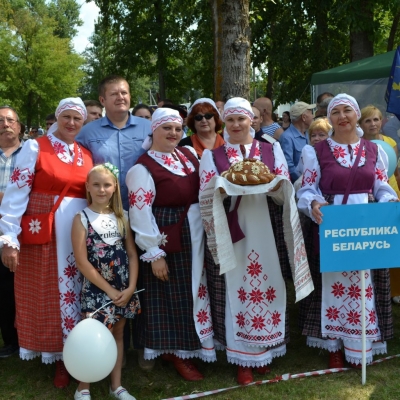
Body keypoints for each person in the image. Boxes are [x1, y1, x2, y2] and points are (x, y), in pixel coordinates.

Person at [199, 97, 313, 385]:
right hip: (233, 229)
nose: (236, 125)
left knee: (270, 282)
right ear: (224, 122)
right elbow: (205, 196)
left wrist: (273, 186)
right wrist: (222, 190)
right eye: (231, 120)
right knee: (235, 287)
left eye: (242, 119)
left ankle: (266, 349)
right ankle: (242, 358)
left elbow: (283, 186)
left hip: (268, 226)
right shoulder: (211, 156)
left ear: (252, 120)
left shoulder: (270, 149)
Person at [297, 93, 396, 369]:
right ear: (330, 119)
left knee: (363, 284)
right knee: (333, 283)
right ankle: (334, 345)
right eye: (336, 112)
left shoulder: (374, 151)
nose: (342, 117)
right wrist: (314, 202)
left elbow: (381, 187)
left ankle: (360, 345)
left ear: (355, 116)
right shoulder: (315, 152)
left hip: (364, 228)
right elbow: (307, 189)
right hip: (332, 227)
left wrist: (389, 202)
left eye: (347, 111)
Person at [0, 98, 93, 387]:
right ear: (56, 118)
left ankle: (78, 351)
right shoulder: (35, 146)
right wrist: (8, 238)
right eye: (66, 117)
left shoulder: (86, 153)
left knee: (78, 291)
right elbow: (16, 193)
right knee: (52, 294)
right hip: (48, 234)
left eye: (77, 118)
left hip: (79, 232)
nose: (71, 123)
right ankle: (60, 356)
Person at [126, 108, 216, 381]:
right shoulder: (141, 168)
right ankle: (176, 352)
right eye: (167, 128)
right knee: (173, 295)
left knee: (195, 289)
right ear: (153, 130)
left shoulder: (187, 155)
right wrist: (154, 254)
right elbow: (140, 213)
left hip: (196, 232)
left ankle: (193, 345)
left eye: (177, 128)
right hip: (168, 236)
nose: (173, 133)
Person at [71, 163, 140, 400]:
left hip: (123, 288)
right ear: (88, 187)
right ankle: (83, 387)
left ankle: (116, 386)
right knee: (93, 335)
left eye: (107, 185)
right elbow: (83, 262)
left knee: (118, 333)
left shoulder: (123, 217)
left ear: (114, 188)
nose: (102, 190)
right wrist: (109, 290)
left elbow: (131, 253)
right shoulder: (81, 218)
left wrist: (130, 287)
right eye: (97, 185)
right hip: (98, 288)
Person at [77, 75, 151, 211]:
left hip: (143, 209)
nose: (120, 97)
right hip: (103, 209)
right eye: (114, 94)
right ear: (102, 100)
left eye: (124, 93)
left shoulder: (150, 128)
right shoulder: (86, 133)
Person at [359, 105, 400, 304]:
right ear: (361, 124)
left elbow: (397, 171)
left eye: (376, 119)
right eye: (368, 120)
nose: (373, 124)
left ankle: (396, 290)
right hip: (368, 196)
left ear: (381, 120)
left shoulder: (391, 142)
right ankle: (373, 287)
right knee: (374, 243)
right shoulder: (357, 145)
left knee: (392, 242)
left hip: (391, 193)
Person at [0, 106, 23, 358]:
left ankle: (26, 336)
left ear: (19, 125)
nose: (5, 124)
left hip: (21, 229)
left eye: (10, 120)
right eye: (0, 120)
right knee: (3, 288)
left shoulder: (30, 153)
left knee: (19, 285)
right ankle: (10, 340)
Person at [279, 101, 315, 182]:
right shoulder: (287, 137)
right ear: (304, 117)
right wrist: (306, 181)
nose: (313, 116)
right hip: (298, 186)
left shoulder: (309, 134)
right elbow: (289, 167)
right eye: (311, 113)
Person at [294, 117, 331, 193]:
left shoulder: (336, 153)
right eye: (313, 135)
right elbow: (300, 171)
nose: (316, 138)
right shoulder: (308, 151)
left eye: (321, 135)